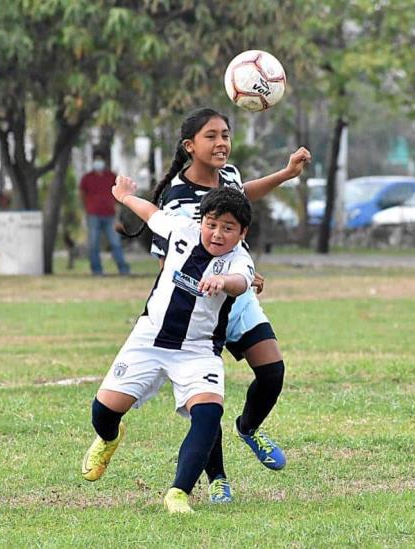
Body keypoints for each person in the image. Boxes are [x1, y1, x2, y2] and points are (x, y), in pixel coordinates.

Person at [127, 108, 310, 503]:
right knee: (206, 401)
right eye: (211, 136)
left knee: (273, 371)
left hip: (236, 296)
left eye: (225, 134)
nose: (222, 143)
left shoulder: (229, 175)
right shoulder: (178, 197)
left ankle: (248, 427)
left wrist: (285, 174)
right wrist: (221, 280)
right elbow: (172, 262)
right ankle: (218, 479)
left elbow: (241, 197)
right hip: (199, 307)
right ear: (190, 146)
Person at [81, 180, 255, 514]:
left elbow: (242, 281)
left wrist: (224, 282)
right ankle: (109, 438)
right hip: (148, 341)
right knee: (103, 413)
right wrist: (125, 196)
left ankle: (178, 493)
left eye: (228, 228)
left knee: (208, 414)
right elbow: (151, 214)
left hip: (198, 350)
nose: (217, 234)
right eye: (212, 224)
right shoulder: (181, 230)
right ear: (201, 221)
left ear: (242, 232)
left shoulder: (239, 259)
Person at [79, 150, 131, 276]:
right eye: (96, 159)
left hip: (110, 214)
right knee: (94, 244)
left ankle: (123, 269)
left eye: (100, 160)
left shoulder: (111, 176)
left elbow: (118, 192)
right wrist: (85, 209)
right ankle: (97, 270)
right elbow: (82, 194)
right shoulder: (87, 178)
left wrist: (118, 210)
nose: (99, 162)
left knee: (115, 242)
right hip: (93, 214)